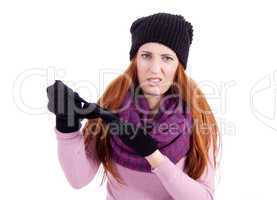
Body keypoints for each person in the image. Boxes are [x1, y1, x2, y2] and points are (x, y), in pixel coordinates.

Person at [46, 12, 220, 200]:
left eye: (167, 58)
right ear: (135, 59)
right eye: (146, 55)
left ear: (179, 65)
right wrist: (66, 123)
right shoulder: (112, 102)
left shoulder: (196, 113)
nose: (154, 68)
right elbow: (78, 179)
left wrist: (152, 154)